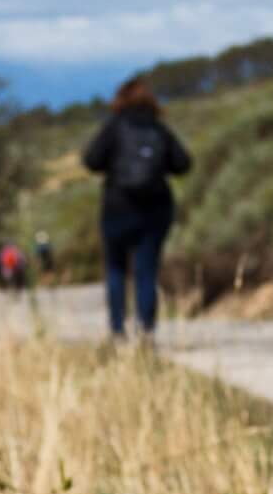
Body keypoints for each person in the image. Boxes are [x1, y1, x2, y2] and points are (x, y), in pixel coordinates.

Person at [80, 76, 191, 338]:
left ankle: (117, 331)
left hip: (117, 208)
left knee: (116, 270)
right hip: (154, 210)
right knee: (146, 271)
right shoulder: (159, 129)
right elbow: (183, 164)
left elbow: (91, 160)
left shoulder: (114, 127)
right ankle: (146, 331)